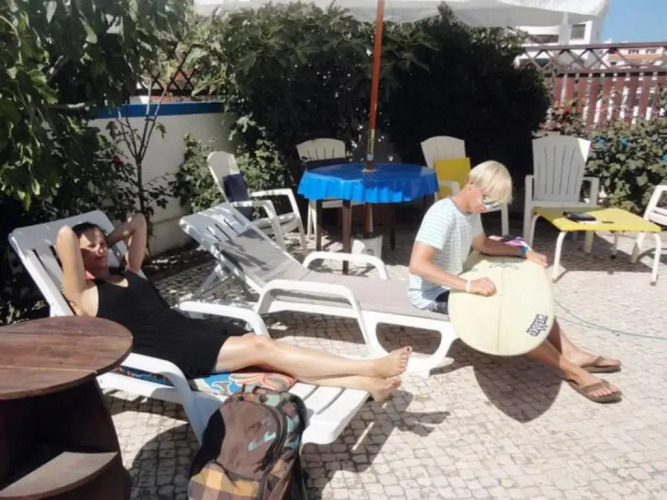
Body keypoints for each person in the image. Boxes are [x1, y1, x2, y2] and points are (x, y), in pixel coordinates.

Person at [56, 213, 411, 402]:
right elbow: (64, 237)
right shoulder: (84, 295)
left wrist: (106, 241)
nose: (100, 250)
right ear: (76, 256)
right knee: (263, 346)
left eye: (103, 244)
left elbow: (137, 221)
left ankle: (367, 383)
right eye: (92, 247)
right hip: (170, 351)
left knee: (268, 356)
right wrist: (86, 242)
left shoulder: (129, 271)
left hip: (187, 329)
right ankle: (369, 366)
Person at [408, 160, 622, 404]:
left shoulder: (470, 212)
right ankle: (572, 371)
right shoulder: (442, 214)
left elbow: (482, 244)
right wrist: (469, 286)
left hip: (454, 283)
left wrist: (523, 252)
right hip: (432, 293)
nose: (487, 207)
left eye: (494, 204)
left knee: (528, 300)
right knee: (512, 316)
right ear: (471, 183)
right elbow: (418, 265)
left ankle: (571, 353)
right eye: (487, 199)